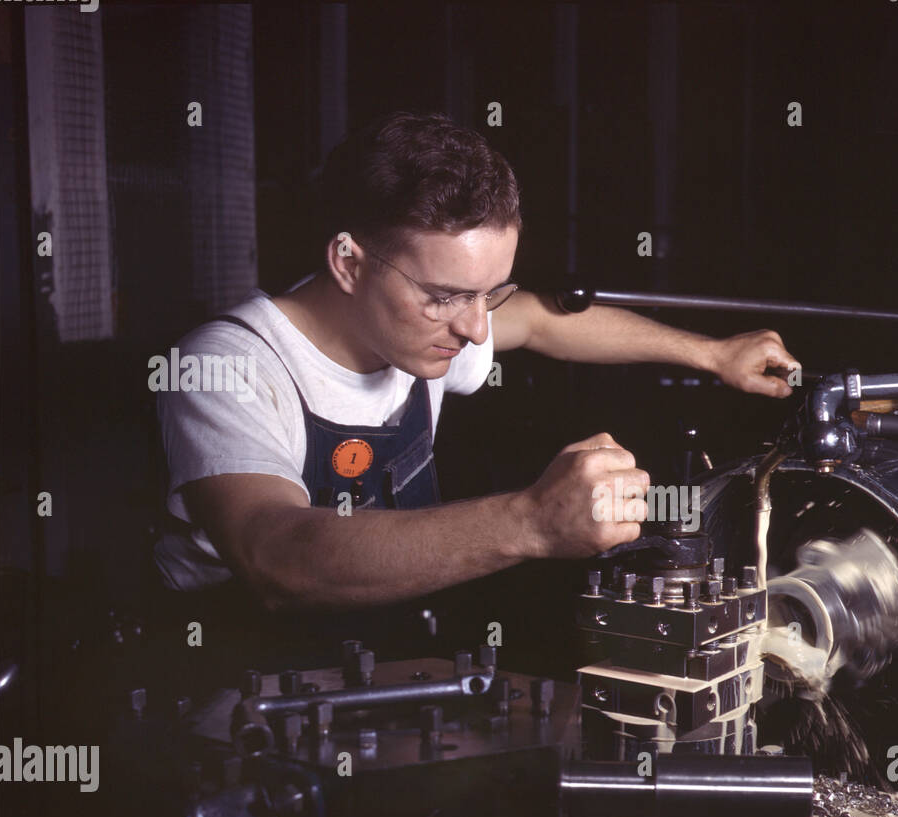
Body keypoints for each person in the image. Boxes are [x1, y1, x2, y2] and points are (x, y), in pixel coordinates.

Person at [153, 111, 797, 680]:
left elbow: (544, 318)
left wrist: (712, 354)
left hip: (391, 670)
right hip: (232, 689)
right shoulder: (225, 365)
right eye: (445, 295)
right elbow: (277, 557)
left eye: (488, 293)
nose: (475, 328)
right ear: (348, 262)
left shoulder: (420, 334)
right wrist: (531, 521)